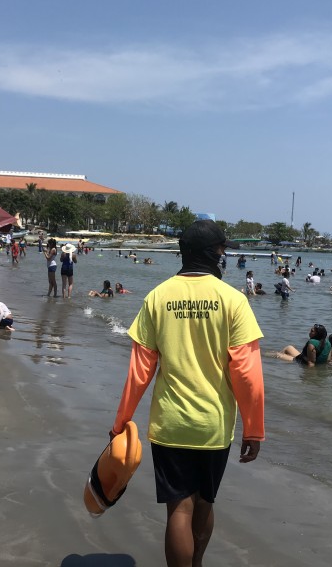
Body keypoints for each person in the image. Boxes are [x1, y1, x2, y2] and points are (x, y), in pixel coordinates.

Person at [110, 220, 264, 567]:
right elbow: (248, 374)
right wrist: (254, 429)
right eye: (222, 251)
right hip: (214, 426)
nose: (224, 257)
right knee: (205, 503)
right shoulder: (233, 301)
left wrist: (122, 420)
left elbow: (140, 371)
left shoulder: (157, 297)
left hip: (170, 424)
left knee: (179, 508)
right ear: (213, 254)